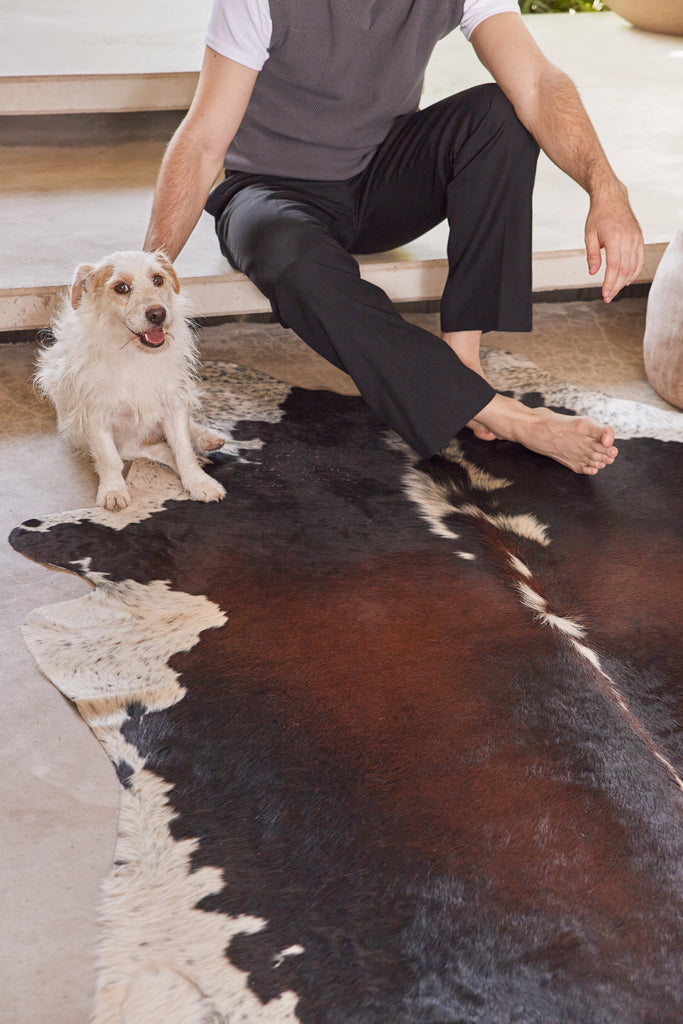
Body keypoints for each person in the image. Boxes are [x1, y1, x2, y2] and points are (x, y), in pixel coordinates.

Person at [144, 0, 645, 475]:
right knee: (290, 257)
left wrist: (606, 188)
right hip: (271, 187)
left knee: (502, 115)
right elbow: (205, 141)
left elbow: (536, 82)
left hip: (382, 177)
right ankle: (498, 413)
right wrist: (144, 275)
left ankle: (462, 358)